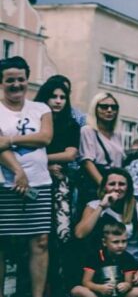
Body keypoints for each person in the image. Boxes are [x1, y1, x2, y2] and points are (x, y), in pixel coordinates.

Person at [0, 56, 55, 297]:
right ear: (1, 81)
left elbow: (45, 137)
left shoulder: (40, 108)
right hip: (4, 185)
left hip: (39, 184)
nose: (16, 84)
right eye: (10, 79)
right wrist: (17, 171)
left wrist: (7, 140)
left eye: (20, 79)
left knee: (40, 241)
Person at [73, 168, 138, 297]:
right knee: (78, 290)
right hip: (100, 264)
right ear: (105, 186)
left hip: (128, 264)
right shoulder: (93, 206)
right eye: (112, 184)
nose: (117, 188)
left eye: (122, 184)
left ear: (128, 187)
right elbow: (80, 233)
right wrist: (101, 207)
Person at [37, 77, 80, 265]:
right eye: (53, 96)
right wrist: (44, 164)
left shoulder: (71, 124)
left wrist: (44, 158)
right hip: (35, 181)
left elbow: (70, 155)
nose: (58, 101)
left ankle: (55, 290)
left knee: (60, 236)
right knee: (36, 238)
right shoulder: (34, 121)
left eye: (62, 97)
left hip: (60, 184)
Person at [70, 222, 138, 297]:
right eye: (115, 242)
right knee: (77, 290)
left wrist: (126, 285)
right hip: (99, 293)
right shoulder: (95, 256)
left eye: (124, 241)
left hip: (119, 295)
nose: (120, 245)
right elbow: (86, 282)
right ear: (104, 242)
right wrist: (99, 288)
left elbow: (128, 282)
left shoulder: (128, 258)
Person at [79, 93, 126, 189]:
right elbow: (87, 162)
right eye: (104, 107)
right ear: (95, 108)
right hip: (96, 185)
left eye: (114, 107)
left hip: (115, 183)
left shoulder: (117, 134)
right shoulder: (88, 130)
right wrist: (104, 186)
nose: (109, 110)